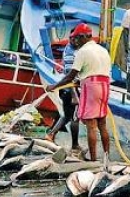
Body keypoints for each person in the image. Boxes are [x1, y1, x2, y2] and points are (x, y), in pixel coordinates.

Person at [46, 23, 111, 162]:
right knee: (102, 124)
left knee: (91, 125)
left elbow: (70, 76)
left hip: (91, 86)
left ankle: (94, 162)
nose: (76, 41)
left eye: (76, 38)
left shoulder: (82, 51)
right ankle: (106, 158)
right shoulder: (103, 50)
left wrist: (54, 86)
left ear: (82, 37)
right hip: (105, 85)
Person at [45, 33, 82, 155]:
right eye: (74, 38)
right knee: (74, 118)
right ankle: (75, 146)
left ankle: (50, 134)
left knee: (67, 115)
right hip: (71, 89)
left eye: (78, 38)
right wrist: (74, 95)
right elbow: (69, 77)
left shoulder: (71, 49)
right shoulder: (71, 53)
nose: (76, 40)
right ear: (71, 38)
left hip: (66, 89)